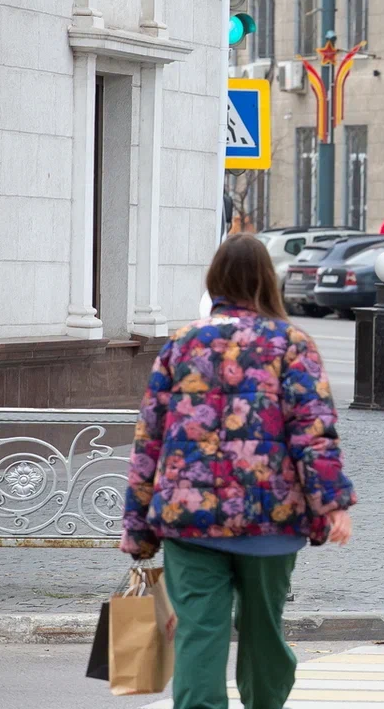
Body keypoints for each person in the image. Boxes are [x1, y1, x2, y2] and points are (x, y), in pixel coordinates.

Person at [121, 234, 356, 709]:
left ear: (215, 281)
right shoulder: (292, 344)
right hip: (271, 520)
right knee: (264, 636)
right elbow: (313, 432)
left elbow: (149, 440)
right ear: (268, 281)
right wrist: (332, 504)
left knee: (198, 639)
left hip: (190, 520)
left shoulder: (181, 345)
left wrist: (138, 527)